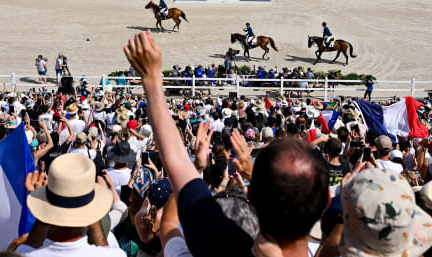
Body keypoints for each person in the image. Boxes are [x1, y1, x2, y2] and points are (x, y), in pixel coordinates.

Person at [123, 30, 329, 257]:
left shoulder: (217, 238)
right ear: (325, 203)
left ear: (252, 196)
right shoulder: (332, 249)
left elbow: (176, 163)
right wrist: (253, 175)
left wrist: (151, 79)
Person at [20, 153, 125, 256]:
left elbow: (27, 249)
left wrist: (43, 207)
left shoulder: (23, 253)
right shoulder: (115, 254)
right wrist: (93, 210)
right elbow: (105, 252)